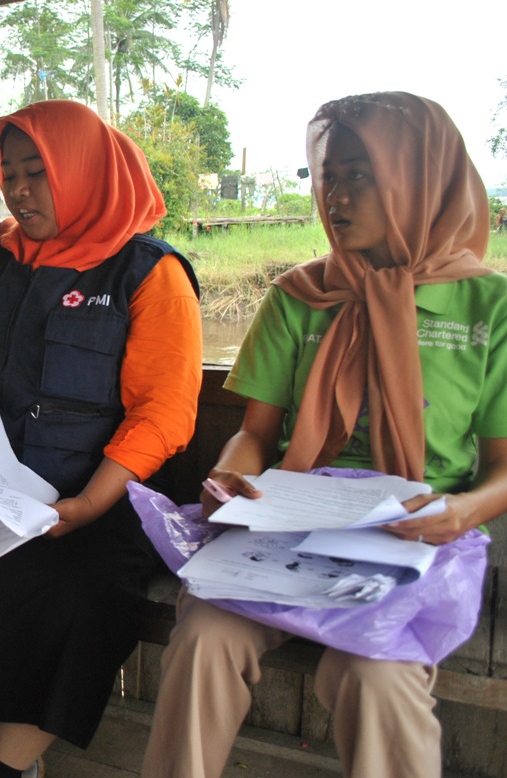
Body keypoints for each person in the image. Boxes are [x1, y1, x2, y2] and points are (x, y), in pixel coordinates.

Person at [141, 92, 507, 778]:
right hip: (290, 525)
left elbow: (502, 470)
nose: (334, 197)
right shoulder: (299, 296)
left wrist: (461, 512)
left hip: (414, 535)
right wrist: (230, 477)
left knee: (377, 678)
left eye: (358, 175)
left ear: (418, 179)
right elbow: (256, 436)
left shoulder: (491, 306)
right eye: (326, 176)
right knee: (204, 640)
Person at [0, 100, 203, 778]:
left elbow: (163, 412)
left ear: (83, 172)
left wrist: (88, 505)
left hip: (100, 494)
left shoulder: (149, 273)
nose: (19, 191)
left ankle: (2, 766)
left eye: (38, 172)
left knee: (80, 597)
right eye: (9, 175)